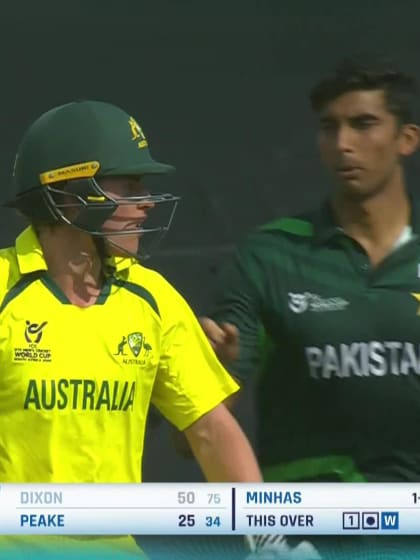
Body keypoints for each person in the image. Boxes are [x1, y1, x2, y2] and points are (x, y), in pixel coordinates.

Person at [0, 100, 262, 560]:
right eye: (130, 185)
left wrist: (265, 537)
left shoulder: (152, 297)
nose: (144, 204)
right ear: (67, 194)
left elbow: (211, 431)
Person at [200, 55, 420, 559]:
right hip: (311, 537)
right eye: (329, 128)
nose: (342, 143)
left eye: (363, 125)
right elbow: (197, 431)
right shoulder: (270, 255)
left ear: (407, 138)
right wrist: (218, 377)